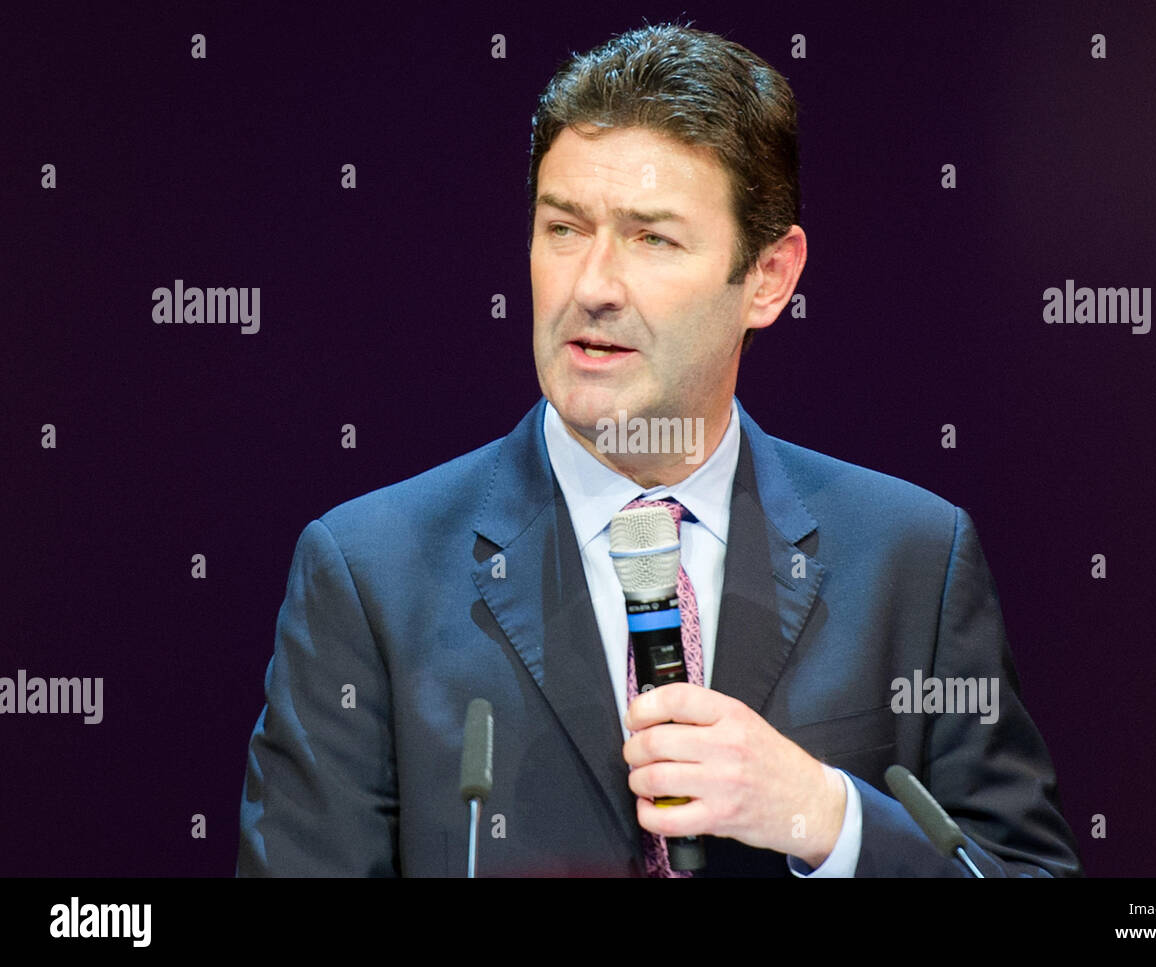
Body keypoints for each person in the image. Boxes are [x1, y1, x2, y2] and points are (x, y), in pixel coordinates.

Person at [237, 22, 1082, 877]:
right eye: (564, 227)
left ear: (768, 278)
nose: (593, 286)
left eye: (652, 238)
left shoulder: (912, 560)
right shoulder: (369, 576)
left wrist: (828, 817)